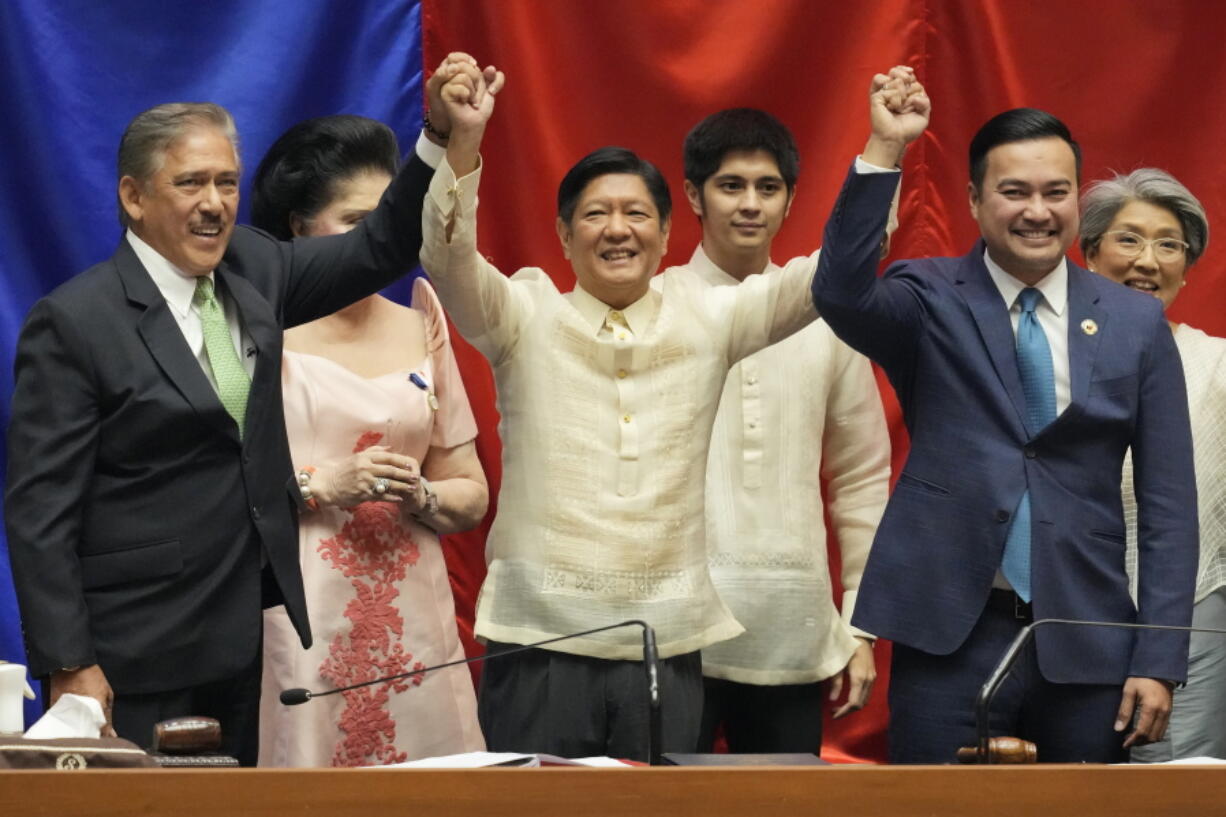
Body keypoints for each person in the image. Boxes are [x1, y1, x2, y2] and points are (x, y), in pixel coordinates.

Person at [3, 55, 486, 763]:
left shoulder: (257, 268)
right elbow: (39, 510)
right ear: (134, 197)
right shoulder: (75, 321)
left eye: (226, 182)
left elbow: (382, 243)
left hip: (243, 642)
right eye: (191, 182)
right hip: (132, 648)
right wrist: (70, 660)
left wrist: (439, 136)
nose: (215, 202)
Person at [810, 68, 1198, 763]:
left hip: (1087, 632)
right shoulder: (927, 296)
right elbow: (838, 292)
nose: (1037, 211)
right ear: (973, 198)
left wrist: (1159, 655)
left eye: (1055, 193)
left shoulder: (1136, 323)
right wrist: (884, 150)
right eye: (1014, 192)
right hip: (949, 631)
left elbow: (1170, 505)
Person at [249, 114, 488, 766]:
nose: (381, 239)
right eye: (358, 222)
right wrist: (323, 483)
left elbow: (472, 493)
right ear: (299, 229)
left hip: (412, 610)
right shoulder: (257, 325)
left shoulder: (422, 319)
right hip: (304, 606)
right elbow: (212, 485)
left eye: (389, 220)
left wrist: (425, 495)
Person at [678, 108, 890, 753]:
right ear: (692, 194)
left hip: (790, 631)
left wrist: (859, 624)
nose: (750, 204)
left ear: (791, 198)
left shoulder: (827, 319)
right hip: (669, 631)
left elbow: (861, 477)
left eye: (767, 188)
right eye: (730, 185)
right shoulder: (653, 305)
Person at [1080, 168, 1223, 762]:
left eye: (1169, 245)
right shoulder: (1047, 355)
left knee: (1174, 792)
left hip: (1192, 622)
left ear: (1187, 270)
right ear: (1088, 254)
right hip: (1067, 620)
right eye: (1129, 239)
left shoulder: (1216, 364)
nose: (1149, 260)